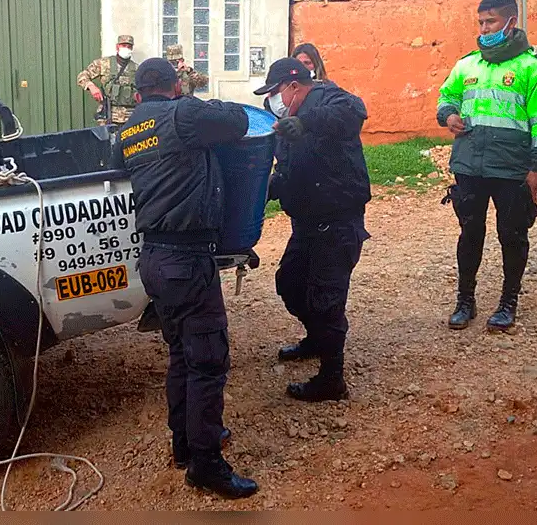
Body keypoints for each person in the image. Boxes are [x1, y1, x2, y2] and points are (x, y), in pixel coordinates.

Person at [118, 57, 258, 499]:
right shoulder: (184, 114)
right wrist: (198, 101)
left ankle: (184, 444)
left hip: (155, 260)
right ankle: (206, 465)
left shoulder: (128, 129)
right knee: (208, 363)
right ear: (176, 86)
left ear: (137, 94)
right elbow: (237, 121)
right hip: (187, 260)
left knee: (182, 355)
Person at [435, 0, 537, 332]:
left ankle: (508, 302)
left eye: (491, 21)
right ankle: (465, 300)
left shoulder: (534, 69)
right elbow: (446, 96)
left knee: (512, 235)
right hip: (469, 165)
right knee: (469, 233)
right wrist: (449, 115)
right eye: (481, 22)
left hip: (512, 168)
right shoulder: (467, 65)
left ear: (511, 22)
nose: (484, 28)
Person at [256, 57, 371, 402]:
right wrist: (268, 188)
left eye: (274, 92)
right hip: (306, 223)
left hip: (337, 222)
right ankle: (316, 339)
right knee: (290, 284)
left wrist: (305, 122)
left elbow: (353, 112)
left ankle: (332, 379)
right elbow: (290, 169)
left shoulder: (329, 98)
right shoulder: (286, 123)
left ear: (293, 86)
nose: (272, 100)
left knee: (326, 300)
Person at [76, 34, 139, 128]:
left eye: (129, 46)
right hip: (108, 114)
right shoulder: (103, 63)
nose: (126, 48)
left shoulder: (137, 68)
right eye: (123, 45)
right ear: (117, 47)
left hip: (130, 116)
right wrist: (91, 86)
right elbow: (82, 76)